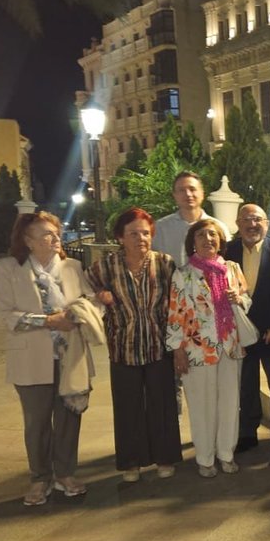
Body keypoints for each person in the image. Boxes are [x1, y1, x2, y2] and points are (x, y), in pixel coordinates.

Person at [0, 212, 99, 505]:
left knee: (69, 417)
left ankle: (66, 473)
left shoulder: (73, 267)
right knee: (37, 421)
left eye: (56, 233)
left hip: (71, 356)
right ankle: (40, 478)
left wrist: (84, 313)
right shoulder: (8, 269)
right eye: (46, 234)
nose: (55, 239)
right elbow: (4, 317)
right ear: (27, 241)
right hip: (31, 360)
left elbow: (89, 302)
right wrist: (48, 321)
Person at [87, 207, 180, 482]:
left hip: (158, 345)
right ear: (120, 237)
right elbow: (85, 290)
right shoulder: (105, 266)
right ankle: (131, 463)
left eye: (145, 233)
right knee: (128, 407)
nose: (141, 238)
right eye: (133, 233)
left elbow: (177, 303)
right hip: (123, 346)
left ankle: (164, 458)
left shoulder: (165, 263)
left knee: (161, 404)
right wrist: (99, 295)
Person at [167, 219, 251, 478]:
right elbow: (175, 312)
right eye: (202, 235)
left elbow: (246, 298)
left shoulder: (232, 269)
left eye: (213, 235)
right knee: (202, 405)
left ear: (220, 241)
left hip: (229, 346)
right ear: (193, 242)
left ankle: (226, 453)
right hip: (197, 349)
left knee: (229, 403)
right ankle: (205, 458)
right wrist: (177, 349)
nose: (208, 240)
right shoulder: (184, 273)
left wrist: (240, 299)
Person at [226, 204, 270, 457]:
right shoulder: (227, 251)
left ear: (267, 223)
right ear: (237, 223)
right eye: (246, 219)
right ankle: (247, 433)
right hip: (240, 333)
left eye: (257, 219)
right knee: (245, 386)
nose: (251, 224)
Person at [153, 171, 210, 266]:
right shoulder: (160, 228)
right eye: (181, 190)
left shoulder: (217, 227)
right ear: (174, 195)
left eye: (192, 189)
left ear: (202, 193)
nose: (188, 194)